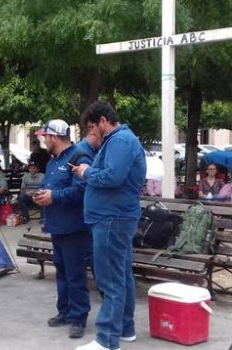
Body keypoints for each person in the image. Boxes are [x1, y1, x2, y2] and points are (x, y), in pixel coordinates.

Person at [73, 101, 147, 350]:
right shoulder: (119, 140)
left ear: (103, 121)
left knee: (109, 279)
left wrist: (85, 172)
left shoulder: (120, 141)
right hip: (113, 217)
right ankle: (125, 328)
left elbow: (112, 177)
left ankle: (106, 339)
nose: (92, 132)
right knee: (121, 275)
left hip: (112, 218)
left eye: (93, 127)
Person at [32, 119, 93, 339]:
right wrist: (43, 196)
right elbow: (53, 188)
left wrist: (54, 196)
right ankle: (65, 311)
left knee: (75, 273)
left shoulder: (79, 158)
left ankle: (79, 317)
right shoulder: (52, 161)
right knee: (62, 270)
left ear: (54, 137)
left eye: (45, 136)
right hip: (56, 225)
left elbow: (83, 189)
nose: (43, 140)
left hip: (74, 227)